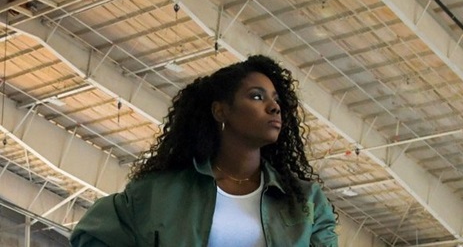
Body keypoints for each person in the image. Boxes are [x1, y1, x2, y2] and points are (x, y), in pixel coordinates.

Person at [70, 55, 338, 247]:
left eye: (276, 100)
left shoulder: (306, 202)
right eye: (257, 96)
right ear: (221, 110)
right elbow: (93, 236)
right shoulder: (159, 192)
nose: (273, 107)